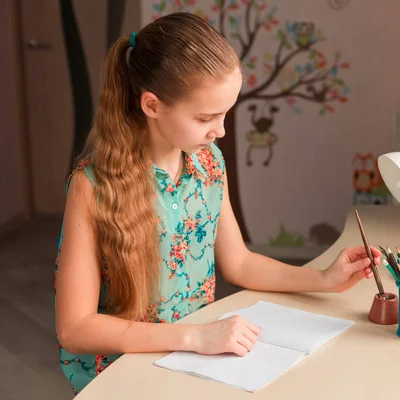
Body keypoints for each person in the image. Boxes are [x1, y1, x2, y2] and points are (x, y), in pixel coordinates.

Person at [54, 12, 381, 394]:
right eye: (205, 117)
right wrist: (194, 338)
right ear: (152, 105)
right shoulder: (92, 186)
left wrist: (324, 279)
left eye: (226, 113)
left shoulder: (209, 163)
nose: (221, 130)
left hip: (194, 362)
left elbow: (238, 262)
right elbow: (75, 329)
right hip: (123, 376)